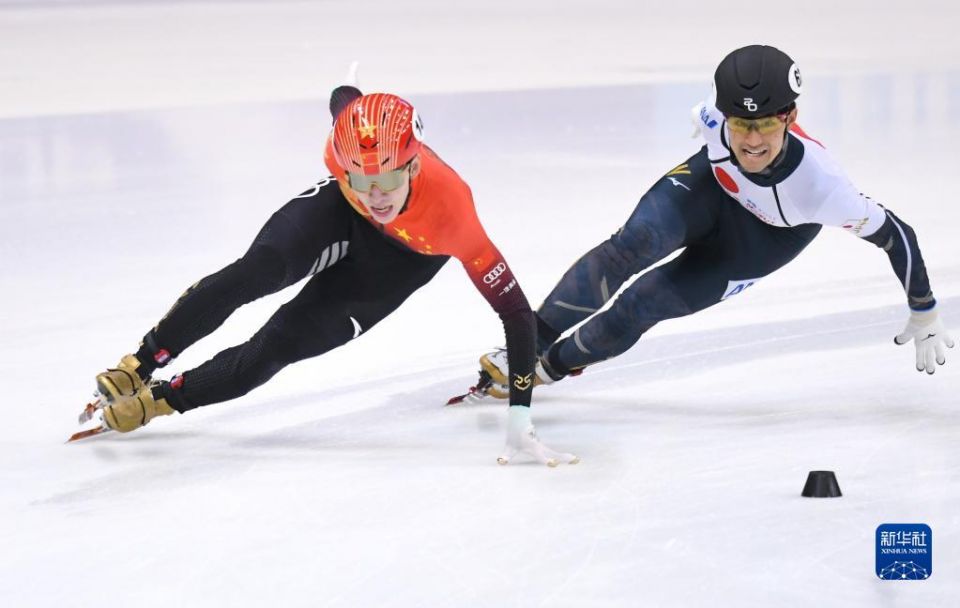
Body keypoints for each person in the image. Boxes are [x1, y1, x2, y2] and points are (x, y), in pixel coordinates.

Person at [86, 86, 577, 467]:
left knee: (278, 344)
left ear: (412, 166)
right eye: (361, 180)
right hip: (339, 215)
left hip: (400, 264)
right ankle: (140, 364)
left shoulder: (454, 214)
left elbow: (516, 314)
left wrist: (520, 415)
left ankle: (161, 401)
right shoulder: (347, 149)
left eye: (388, 180)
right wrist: (349, 107)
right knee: (256, 272)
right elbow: (345, 99)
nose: (376, 196)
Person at [476, 45, 952, 396]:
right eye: (740, 123)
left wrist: (924, 307)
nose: (752, 140)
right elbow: (715, 120)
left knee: (643, 304)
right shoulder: (712, 117)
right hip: (711, 191)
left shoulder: (822, 187)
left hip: (761, 242)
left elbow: (897, 235)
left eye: (766, 124)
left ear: (790, 117)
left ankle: (548, 369)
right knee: (633, 244)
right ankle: (526, 346)